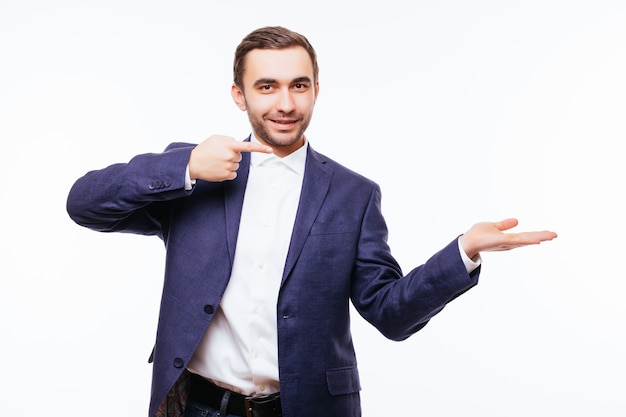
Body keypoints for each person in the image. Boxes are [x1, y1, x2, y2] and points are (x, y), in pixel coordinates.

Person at [66, 26, 557, 417]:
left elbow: (389, 313)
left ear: (316, 90)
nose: (285, 104)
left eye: (298, 85)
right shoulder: (194, 172)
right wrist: (186, 167)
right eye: (267, 86)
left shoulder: (354, 195)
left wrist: (463, 253)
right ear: (239, 95)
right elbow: (85, 204)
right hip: (197, 406)